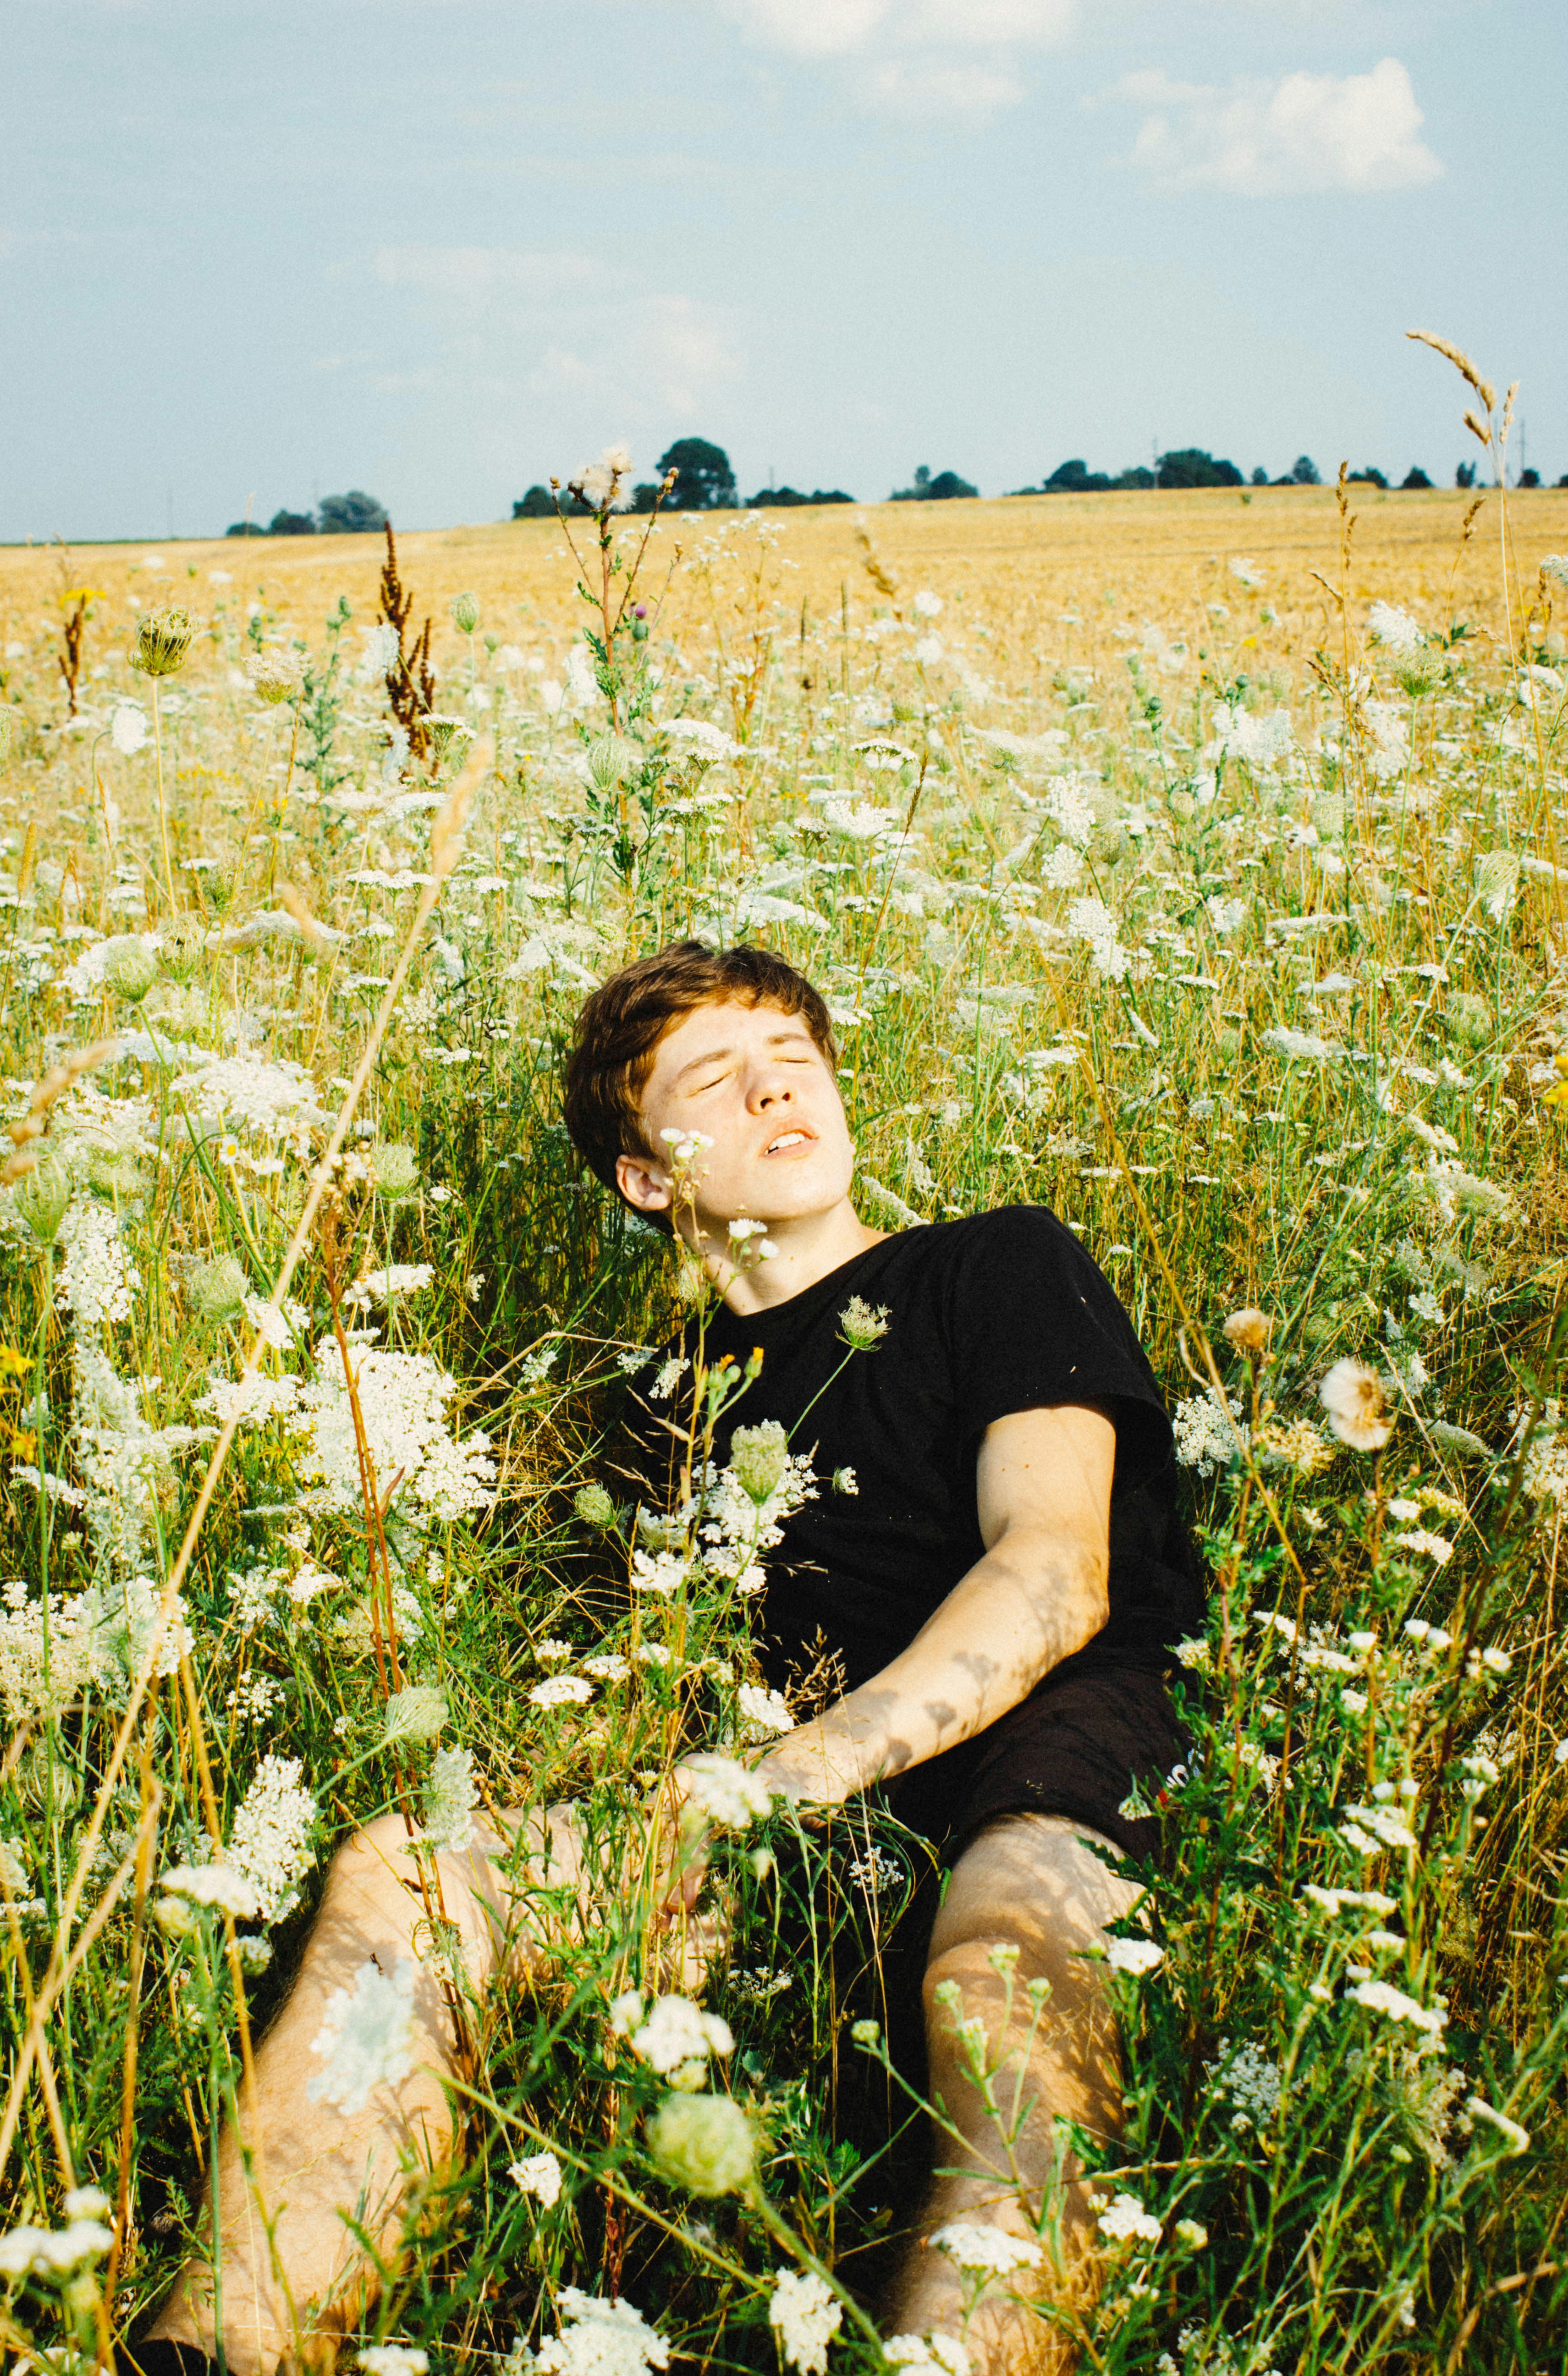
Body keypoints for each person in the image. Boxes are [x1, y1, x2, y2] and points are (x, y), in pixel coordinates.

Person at [132, 941, 1200, 2376]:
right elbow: (645, 1692)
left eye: (793, 1058)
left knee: (1001, 1967)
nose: (775, 1085)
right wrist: (654, 1856)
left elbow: (1056, 1573)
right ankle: (226, 2338)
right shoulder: (662, 1413)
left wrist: (797, 1774)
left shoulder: (992, 1263)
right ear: (649, 1178)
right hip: (787, 1831)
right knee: (406, 1869)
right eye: (715, 1075)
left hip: (1040, 1758)